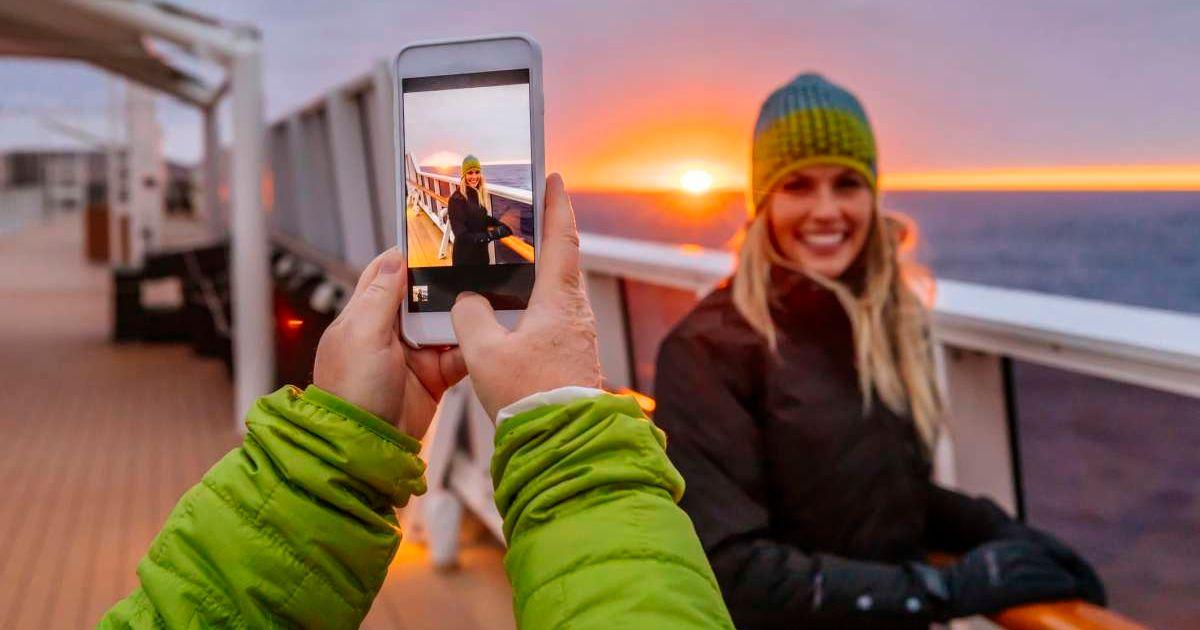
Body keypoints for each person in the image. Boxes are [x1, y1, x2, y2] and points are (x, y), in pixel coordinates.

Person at [99, 175, 734, 629]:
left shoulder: (472, 197)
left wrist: (334, 453)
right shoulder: (466, 200)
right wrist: (564, 431)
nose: (478, 177)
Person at [652, 74, 1106, 629]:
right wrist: (946, 588)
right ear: (764, 203)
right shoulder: (706, 350)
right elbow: (733, 570)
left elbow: (881, 496)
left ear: (872, 194)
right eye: (798, 185)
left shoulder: (880, 327)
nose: (826, 210)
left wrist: (1011, 537)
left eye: (847, 183)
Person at [447, 154, 512, 266]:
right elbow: (461, 235)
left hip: (481, 256)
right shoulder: (456, 199)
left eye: (477, 172)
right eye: (470, 172)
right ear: (464, 175)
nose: (474, 176)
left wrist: (501, 225)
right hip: (465, 259)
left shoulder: (477, 194)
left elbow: (481, 217)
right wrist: (491, 235)